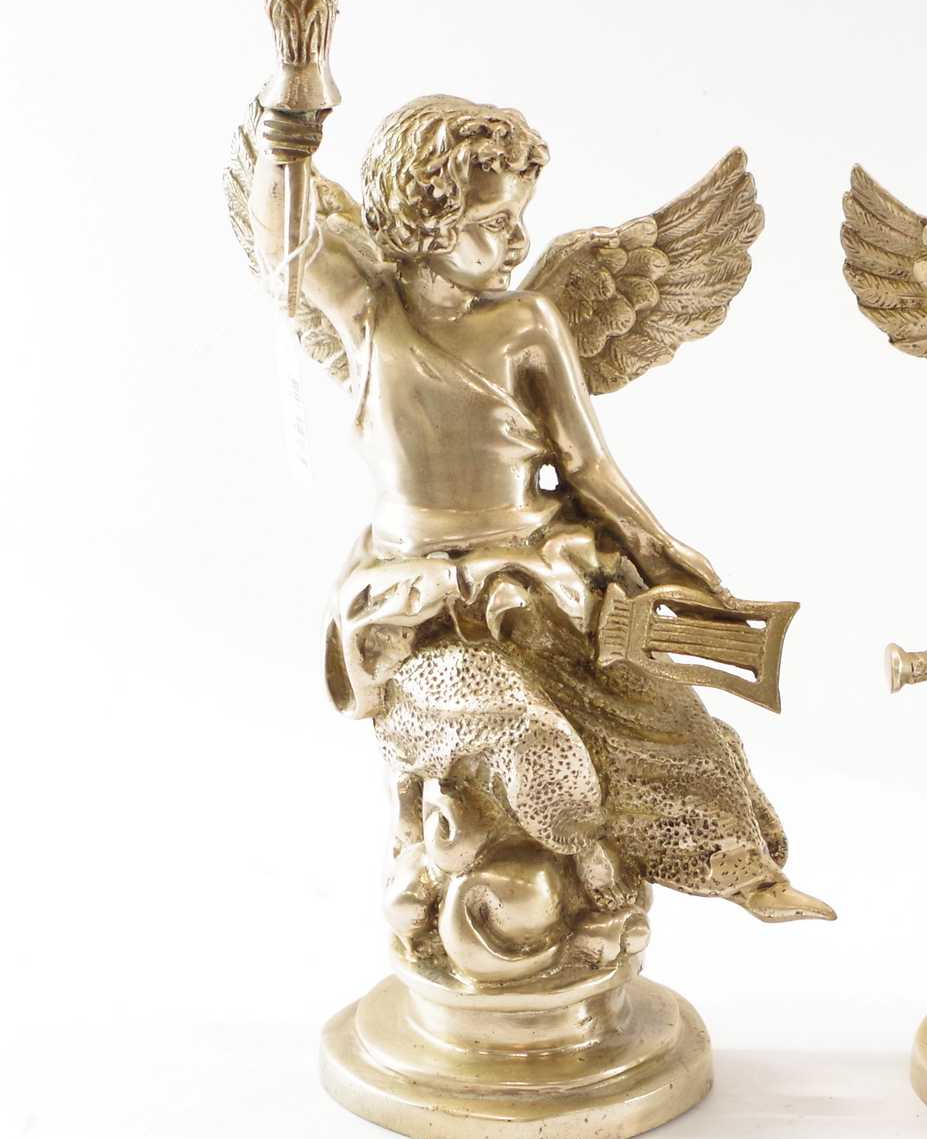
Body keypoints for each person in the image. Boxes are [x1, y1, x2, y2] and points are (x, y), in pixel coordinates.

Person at [245, 95, 832, 923]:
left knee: (668, 721)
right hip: (419, 599)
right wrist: (294, 104)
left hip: (544, 580)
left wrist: (659, 548)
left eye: (520, 217)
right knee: (537, 746)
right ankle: (566, 861)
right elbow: (286, 234)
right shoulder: (370, 312)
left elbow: (586, 465)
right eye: (493, 222)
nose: (517, 242)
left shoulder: (527, 323)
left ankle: (740, 872)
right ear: (426, 224)